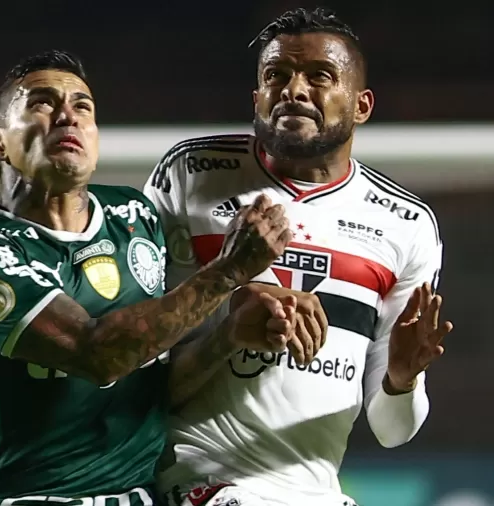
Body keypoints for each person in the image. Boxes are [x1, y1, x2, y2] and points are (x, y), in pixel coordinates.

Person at [0, 49, 324, 506]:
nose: (67, 117)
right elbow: (98, 355)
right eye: (42, 102)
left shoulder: (132, 216)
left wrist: (228, 335)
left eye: (83, 106)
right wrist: (228, 272)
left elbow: (149, 385)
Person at [143, 8, 455, 506]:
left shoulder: (406, 223)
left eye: (320, 76)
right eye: (276, 76)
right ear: (257, 99)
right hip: (206, 487)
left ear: (361, 105)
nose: (293, 89)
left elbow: (393, 431)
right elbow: (137, 366)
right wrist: (229, 319)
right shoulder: (192, 173)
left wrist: (401, 379)